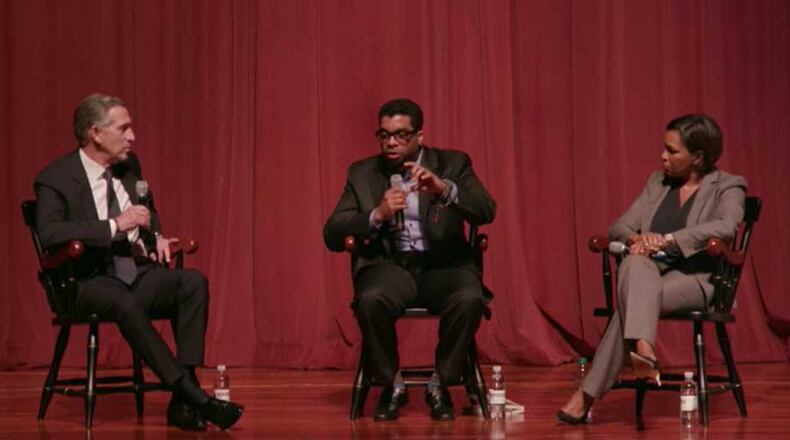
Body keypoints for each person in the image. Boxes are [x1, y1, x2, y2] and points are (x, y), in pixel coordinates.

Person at [34, 94, 244, 431]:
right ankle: (195, 397)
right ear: (95, 133)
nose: (132, 137)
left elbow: (147, 208)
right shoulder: (55, 178)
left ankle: (182, 397)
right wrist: (115, 225)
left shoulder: (129, 166)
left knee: (191, 283)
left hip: (134, 270)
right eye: (123, 129)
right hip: (87, 280)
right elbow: (50, 233)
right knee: (124, 301)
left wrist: (156, 236)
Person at [556, 114, 747, 424]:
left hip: (697, 279)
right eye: (664, 148)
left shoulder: (727, 185)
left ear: (698, 157)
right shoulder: (658, 183)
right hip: (647, 274)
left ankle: (587, 394)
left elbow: (725, 226)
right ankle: (644, 350)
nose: (663, 156)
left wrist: (667, 240)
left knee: (631, 304)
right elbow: (619, 227)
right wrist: (638, 239)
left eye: (672, 151)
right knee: (634, 263)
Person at [324, 98, 496, 421]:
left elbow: (486, 209)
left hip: (441, 265)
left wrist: (443, 189)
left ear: (419, 136)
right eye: (384, 134)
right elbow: (332, 233)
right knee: (370, 299)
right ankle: (392, 384)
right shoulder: (362, 173)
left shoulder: (452, 163)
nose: (391, 142)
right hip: (390, 267)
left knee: (469, 297)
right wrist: (377, 214)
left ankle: (440, 382)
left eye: (401, 134)